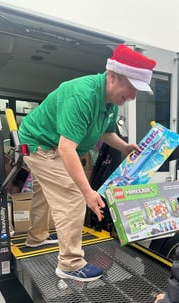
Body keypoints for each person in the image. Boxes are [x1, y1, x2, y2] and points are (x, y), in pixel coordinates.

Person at [18, 44, 156, 282]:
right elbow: (65, 148)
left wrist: (124, 146)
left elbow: (106, 132)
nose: (133, 97)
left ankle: (36, 236)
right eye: (132, 88)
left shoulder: (111, 103)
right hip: (39, 143)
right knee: (72, 195)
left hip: (55, 144)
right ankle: (70, 264)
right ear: (113, 76)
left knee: (45, 191)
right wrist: (87, 192)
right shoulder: (82, 95)